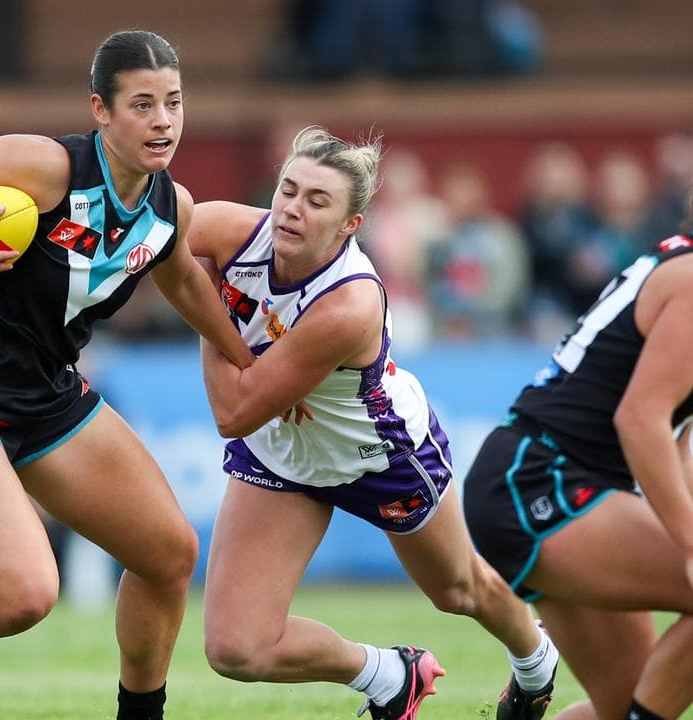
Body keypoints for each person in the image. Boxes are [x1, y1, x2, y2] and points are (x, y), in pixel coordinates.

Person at [0, 29, 256, 720]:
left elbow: (181, 276)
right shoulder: (46, 167)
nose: (163, 121)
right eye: (143, 104)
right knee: (24, 593)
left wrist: (248, 359)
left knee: (168, 554)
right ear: (101, 109)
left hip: (45, 395)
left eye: (174, 104)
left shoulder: (168, 208)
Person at [190, 126, 560, 720]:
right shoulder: (232, 231)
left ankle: (536, 659)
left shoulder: (350, 302)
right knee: (236, 649)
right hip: (282, 450)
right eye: (289, 190)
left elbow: (232, 412)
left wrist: (206, 294)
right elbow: (149, 248)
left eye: (318, 202)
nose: (292, 209)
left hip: (378, 454)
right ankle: (391, 676)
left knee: (457, 591)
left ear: (348, 226)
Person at [463, 200, 693, 719]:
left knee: (617, 707)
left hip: (537, 480)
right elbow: (640, 421)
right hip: (541, 480)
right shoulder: (691, 279)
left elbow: (675, 435)